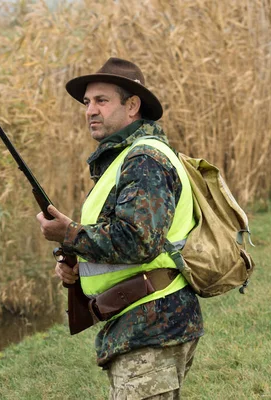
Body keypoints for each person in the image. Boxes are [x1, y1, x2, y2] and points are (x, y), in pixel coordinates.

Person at [36, 57, 204, 399]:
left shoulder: (143, 160)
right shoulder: (125, 159)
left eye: (101, 100)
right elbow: (125, 237)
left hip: (152, 323)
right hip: (144, 322)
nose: (90, 111)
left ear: (132, 106)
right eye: (87, 103)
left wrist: (70, 234)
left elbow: (139, 241)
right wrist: (76, 264)